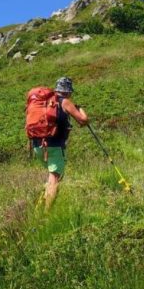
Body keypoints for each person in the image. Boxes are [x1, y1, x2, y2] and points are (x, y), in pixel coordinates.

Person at [31, 77, 89, 209]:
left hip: (37, 146)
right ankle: (46, 213)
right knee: (55, 178)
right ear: (68, 91)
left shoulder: (44, 102)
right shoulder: (65, 102)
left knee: (52, 177)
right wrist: (79, 109)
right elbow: (83, 121)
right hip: (54, 146)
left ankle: (39, 207)